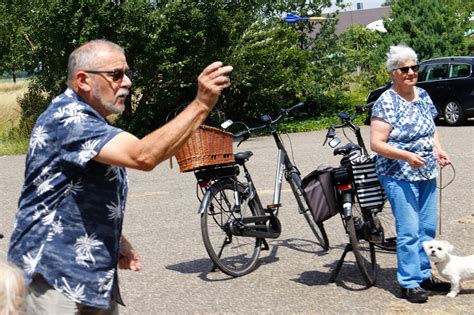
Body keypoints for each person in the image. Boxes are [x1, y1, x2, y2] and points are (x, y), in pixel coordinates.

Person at [7, 39, 233, 314]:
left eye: (127, 73)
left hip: (87, 271)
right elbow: (143, 156)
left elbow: (77, 193)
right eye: (116, 74)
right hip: (53, 277)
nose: (126, 82)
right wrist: (201, 103)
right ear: (83, 80)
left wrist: (117, 239)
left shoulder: (88, 119)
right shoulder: (69, 119)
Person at [370, 44, 451, 303]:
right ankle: (408, 282)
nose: (410, 73)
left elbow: (431, 129)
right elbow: (377, 144)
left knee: (427, 227)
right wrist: (405, 155)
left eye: (414, 68)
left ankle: (425, 274)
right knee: (409, 230)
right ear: (393, 73)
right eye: (404, 69)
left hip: (426, 170)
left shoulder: (423, 95)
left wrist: (438, 149)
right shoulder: (386, 102)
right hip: (398, 173)